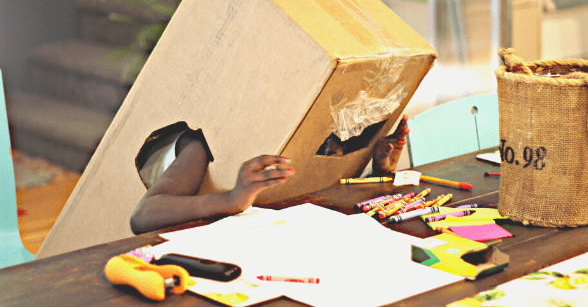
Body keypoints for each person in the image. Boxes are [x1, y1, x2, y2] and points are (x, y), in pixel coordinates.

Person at [129, 116, 409, 234]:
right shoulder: (200, 146)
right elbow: (142, 215)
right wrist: (233, 198)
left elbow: (326, 190)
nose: (335, 154)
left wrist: (379, 173)